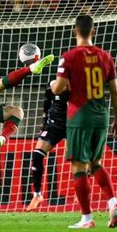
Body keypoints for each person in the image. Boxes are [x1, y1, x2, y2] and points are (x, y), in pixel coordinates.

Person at [51, 15, 117, 229]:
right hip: (102, 116)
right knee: (96, 162)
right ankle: (113, 202)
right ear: (93, 32)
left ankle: (86, 218)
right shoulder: (105, 57)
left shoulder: (69, 57)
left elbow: (57, 88)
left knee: (78, 165)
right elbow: (115, 91)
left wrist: (57, 82)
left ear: (75, 31)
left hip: (79, 116)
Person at [25, 80, 69, 211]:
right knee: (37, 156)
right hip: (54, 126)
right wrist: (44, 123)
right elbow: (46, 104)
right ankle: (37, 195)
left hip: (73, 126)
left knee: (78, 161)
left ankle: (85, 193)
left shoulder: (78, 88)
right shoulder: (51, 86)